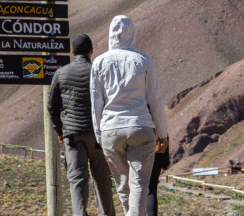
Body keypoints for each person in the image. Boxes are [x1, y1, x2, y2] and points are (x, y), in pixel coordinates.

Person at [91, 15, 168, 216]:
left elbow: (96, 103)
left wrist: (99, 135)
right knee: (139, 183)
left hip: (110, 130)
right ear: (133, 34)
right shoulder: (143, 61)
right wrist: (163, 133)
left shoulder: (99, 63)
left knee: (123, 185)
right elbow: (156, 101)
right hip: (140, 127)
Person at [48, 34, 115, 216]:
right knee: (102, 179)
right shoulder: (98, 72)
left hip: (73, 136)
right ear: (91, 52)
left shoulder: (61, 74)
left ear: (72, 52)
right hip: (97, 136)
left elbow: (51, 106)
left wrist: (60, 130)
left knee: (77, 180)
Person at [146, 139, 170, 216]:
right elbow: (163, 131)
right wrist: (165, 161)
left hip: (133, 149)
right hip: (156, 150)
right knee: (151, 189)